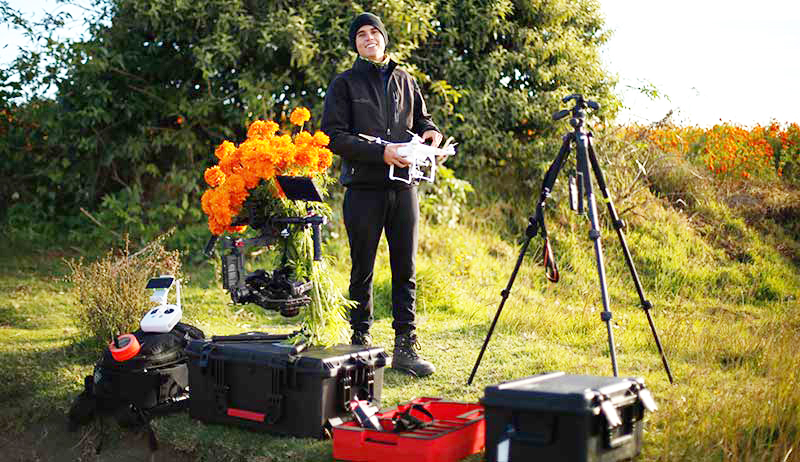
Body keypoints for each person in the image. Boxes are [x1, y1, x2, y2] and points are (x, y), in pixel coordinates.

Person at [321, 12, 443, 377]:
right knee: (362, 268)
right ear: (355, 44)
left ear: (385, 39)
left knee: (405, 269)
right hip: (363, 189)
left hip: (404, 188)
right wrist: (380, 153)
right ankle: (359, 343)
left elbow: (422, 120)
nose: (368, 38)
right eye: (361, 34)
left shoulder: (405, 79)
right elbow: (333, 135)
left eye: (374, 32)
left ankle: (405, 346)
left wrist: (432, 133)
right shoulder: (344, 84)